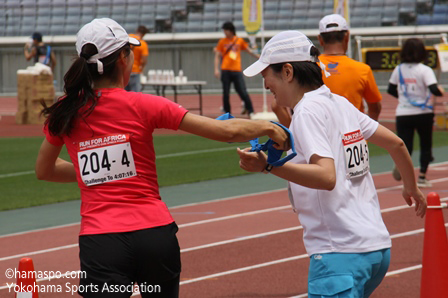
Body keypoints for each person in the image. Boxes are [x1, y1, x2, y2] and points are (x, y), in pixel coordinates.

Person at [35, 18, 288, 298]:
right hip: (153, 236)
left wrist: (93, 172)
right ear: (122, 58)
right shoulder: (143, 104)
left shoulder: (66, 110)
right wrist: (269, 127)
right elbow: (223, 131)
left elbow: (44, 170)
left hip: (100, 241)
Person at [239, 30, 427, 298]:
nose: (264, 81)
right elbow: (396, 143)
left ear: (288, 72)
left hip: (339, 252)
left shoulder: (306, 111)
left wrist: (268, 165)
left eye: (266, 73)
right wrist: (411, 187)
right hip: (376, 249)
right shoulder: (340, 103)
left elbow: (326, 177)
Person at [387, 38, 444, 188]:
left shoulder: (398, 69)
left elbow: (390, 89)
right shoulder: (425, 70)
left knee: (405, 145)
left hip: (403, 113)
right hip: (423, 112)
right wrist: (440, 91)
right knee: (425, 145)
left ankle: (404, 172)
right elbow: (433, 89)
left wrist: (404, 99)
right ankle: (422, 177)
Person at [318, 14, 382, 121]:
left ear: (320, 39)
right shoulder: (363, 70)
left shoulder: (310, 68)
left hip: (320, 132)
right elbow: (374, 107)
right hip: (353, 134)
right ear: (346, 37)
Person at [214, 21, 258, 117]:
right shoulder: (222, 42)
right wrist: (216, 69)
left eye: (226, 30)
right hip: (225, 70)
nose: (225, 32)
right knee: (226, 93)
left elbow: (248, 50)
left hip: (236, 70)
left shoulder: (239, 40)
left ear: (231, 30)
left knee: (242, 90)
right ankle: (227, 113)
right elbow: (217, 55)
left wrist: (258, 56)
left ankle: (250, 110)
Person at [125, 25, 149, 92]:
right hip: (135, 71)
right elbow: (144, 60)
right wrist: (142, 69)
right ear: (144, 34)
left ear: (136, 30)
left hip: (124, 70)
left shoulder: (128, 38)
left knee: (124, 94)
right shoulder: (143, 44)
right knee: (135, 95)